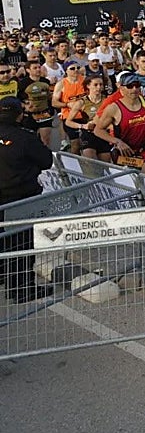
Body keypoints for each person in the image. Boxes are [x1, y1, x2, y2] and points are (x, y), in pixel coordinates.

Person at [0, 97, 54, 303]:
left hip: (9, 197)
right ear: (19, 114)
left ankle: (6, 278)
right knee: (20, 245)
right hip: (20, 199)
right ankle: (21, 288)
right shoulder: (24, 137)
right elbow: (46, 161)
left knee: (6, 242)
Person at [93, 72, 145, 175]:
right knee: (129, 188)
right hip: (125, 152)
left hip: (144, 149)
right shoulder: (113, 108)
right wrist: (117, 142)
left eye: (137, 85)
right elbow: (98, 130)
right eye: (130, 86)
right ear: (122, 88)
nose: (134, 89)